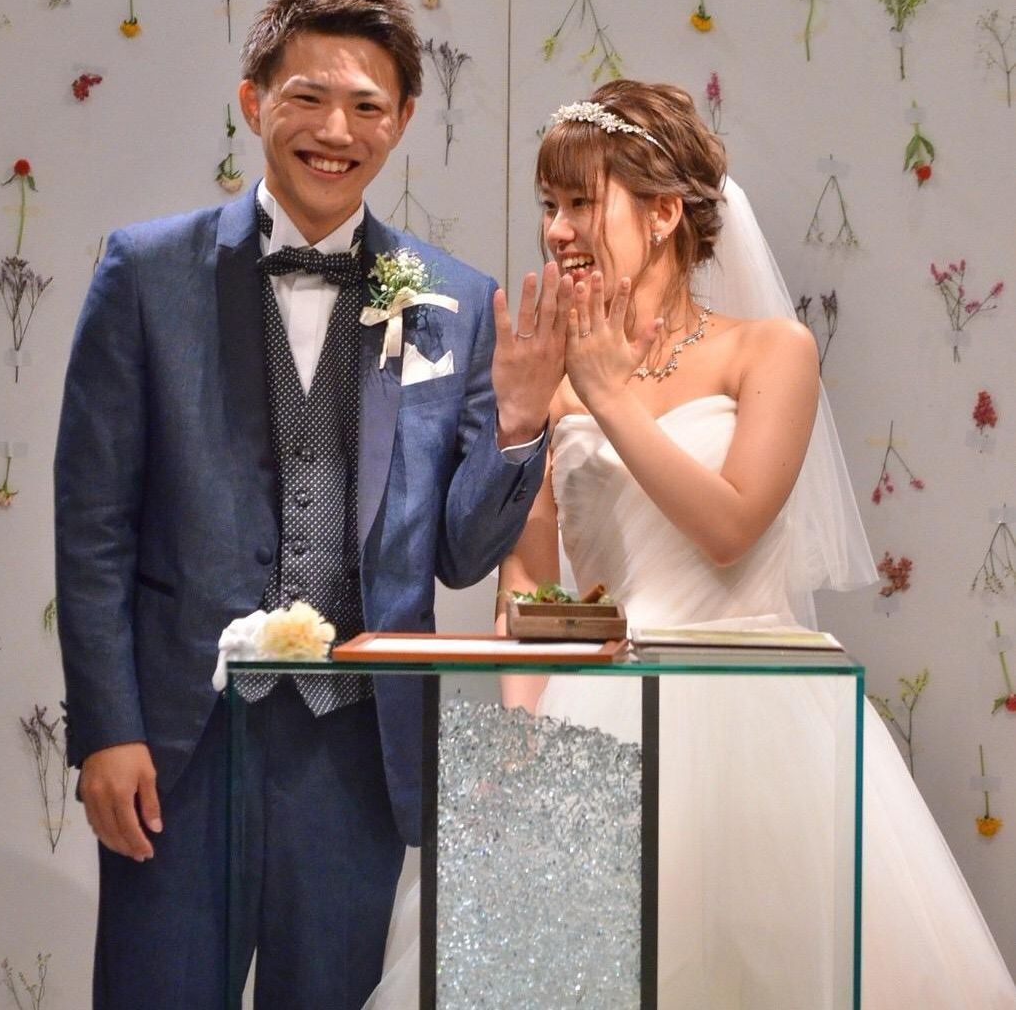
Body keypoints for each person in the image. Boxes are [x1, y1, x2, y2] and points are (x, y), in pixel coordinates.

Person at [365, 80, 1016, 1009]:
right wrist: (525, 731)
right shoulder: (553, 374)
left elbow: (730, 528)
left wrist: (608, 395)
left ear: (665, 212)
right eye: (548, 205)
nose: (557, 231)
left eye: (581, 202)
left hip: (757, 716)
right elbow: (528, 579)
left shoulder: (771, 351)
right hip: (594, 719)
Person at [53, 0, 570, 1010]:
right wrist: (107, 728)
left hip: (355, 753)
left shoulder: (454, 299)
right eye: (307, 97)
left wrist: (519, 426)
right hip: (178, 743)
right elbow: (93, 527)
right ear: (255, 101)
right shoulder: (145, 273)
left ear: (403, 120)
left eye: (367, 106)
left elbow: (463, 555)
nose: (336, 130)